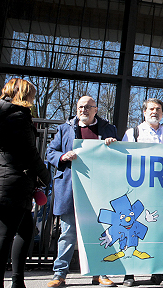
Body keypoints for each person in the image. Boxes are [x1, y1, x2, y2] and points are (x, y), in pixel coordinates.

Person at [46, 96, 117, 288]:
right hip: (70, 188)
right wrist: (62, 156)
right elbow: (50, 152)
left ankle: (100, 274)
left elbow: (117, 158)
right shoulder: (65, 128)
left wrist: (113, 145)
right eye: (80, 107)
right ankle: (59, 274)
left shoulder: (108, 129)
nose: (83, 110)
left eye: (88, 107)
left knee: (100, 233)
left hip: (99, 190)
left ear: (96, 109)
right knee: (67, 234)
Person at [0, 78, 51, 288]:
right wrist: (45, 175)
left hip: (7, 178)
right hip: (13, 180)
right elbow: (29, 152)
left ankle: (18, 281)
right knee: (5, 234)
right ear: (24, 95)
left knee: (25, 231)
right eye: (32, 95)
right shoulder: (17, 116)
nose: (34, 100)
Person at [121, 99, 163, 286]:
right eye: (151, 109)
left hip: (160, 192)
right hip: (138, 189)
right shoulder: (133, 133)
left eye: (159, 109)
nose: (155, 112)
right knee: (132, 231)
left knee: (157, 231)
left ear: (162, 113)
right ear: (144, 112)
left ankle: (157, 272)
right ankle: (129, 274)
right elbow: (122, 157)